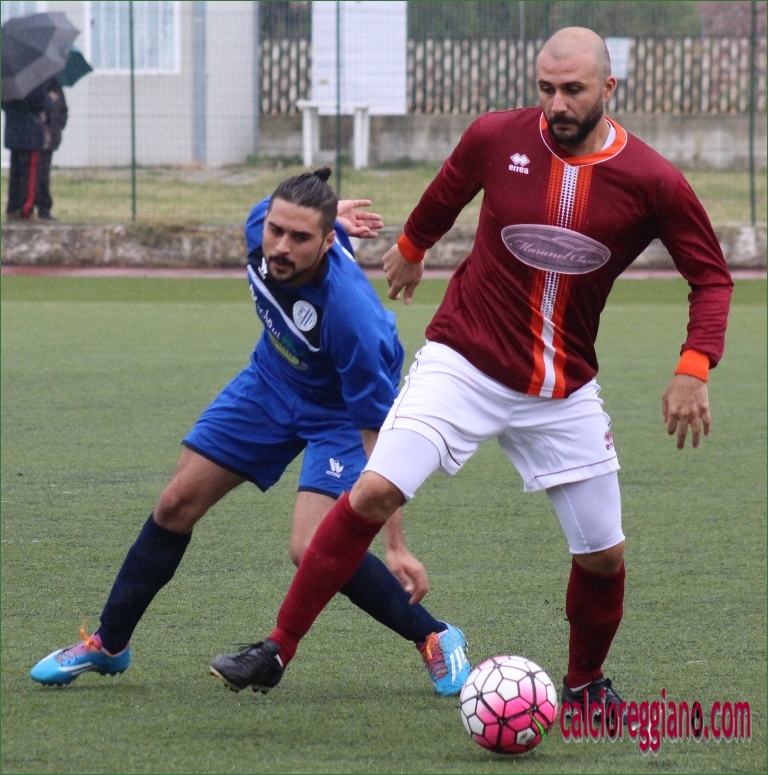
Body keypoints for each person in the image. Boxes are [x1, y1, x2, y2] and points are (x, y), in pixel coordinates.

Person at [210, 27, 733, 724]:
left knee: (603, 556)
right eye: (545, 88)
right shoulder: (496, 137)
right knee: (372, 491)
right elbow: (447, 190)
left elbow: (711, 278)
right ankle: (277, 648)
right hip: (462, 361)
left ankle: (585, 685)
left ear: (609, 88)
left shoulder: (653, 180)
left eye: (573, 90)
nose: (556, 104)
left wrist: (694, 367)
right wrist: (410, 246)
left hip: (562, 388)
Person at [30, 168, 470, 697]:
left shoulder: (354, 318)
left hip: (338, 412)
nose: (280, 247)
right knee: (175, 504)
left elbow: (379, 441)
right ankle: (109, 644)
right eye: (276, 230)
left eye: (300, 237)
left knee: (310, 547)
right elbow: (284, 218)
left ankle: (434, 634)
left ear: (328, 243)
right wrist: (327, 210)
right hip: (271, 381)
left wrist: (395, 544)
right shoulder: (260, 227)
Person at [2, 81, 48, 220]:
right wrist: (50, 99)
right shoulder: (33, 81)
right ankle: (26, 209)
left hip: (13, 134)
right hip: (29, 134)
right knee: (29, 175)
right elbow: (40, 101)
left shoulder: (7, 83)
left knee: (16, 174)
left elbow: (4, 104)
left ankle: (13, 207)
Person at [35, 77, 68, 220]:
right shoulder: (34, 85)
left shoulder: (55, 86)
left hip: (50, 137)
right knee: (35, 173)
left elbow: (63, 110)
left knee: (44, 173)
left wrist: (56, 127)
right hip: (35, 137)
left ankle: (44, 207)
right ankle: (32, 205)